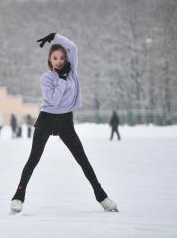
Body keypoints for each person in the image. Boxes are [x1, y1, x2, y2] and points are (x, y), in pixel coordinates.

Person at [10, 32, 118, 213]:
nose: (59, 61)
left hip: (65, 121)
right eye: (55, 58)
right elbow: (53, 100)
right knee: (33, 159)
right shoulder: (47, 78)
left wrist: (55, 37)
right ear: (50, 60)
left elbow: (73, 47)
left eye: (62, 58)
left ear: (67, 59)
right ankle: (18, 197)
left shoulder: (72, 71)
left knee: (83, 160)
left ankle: (102, 197)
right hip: (46, 119)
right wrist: (61, 79)